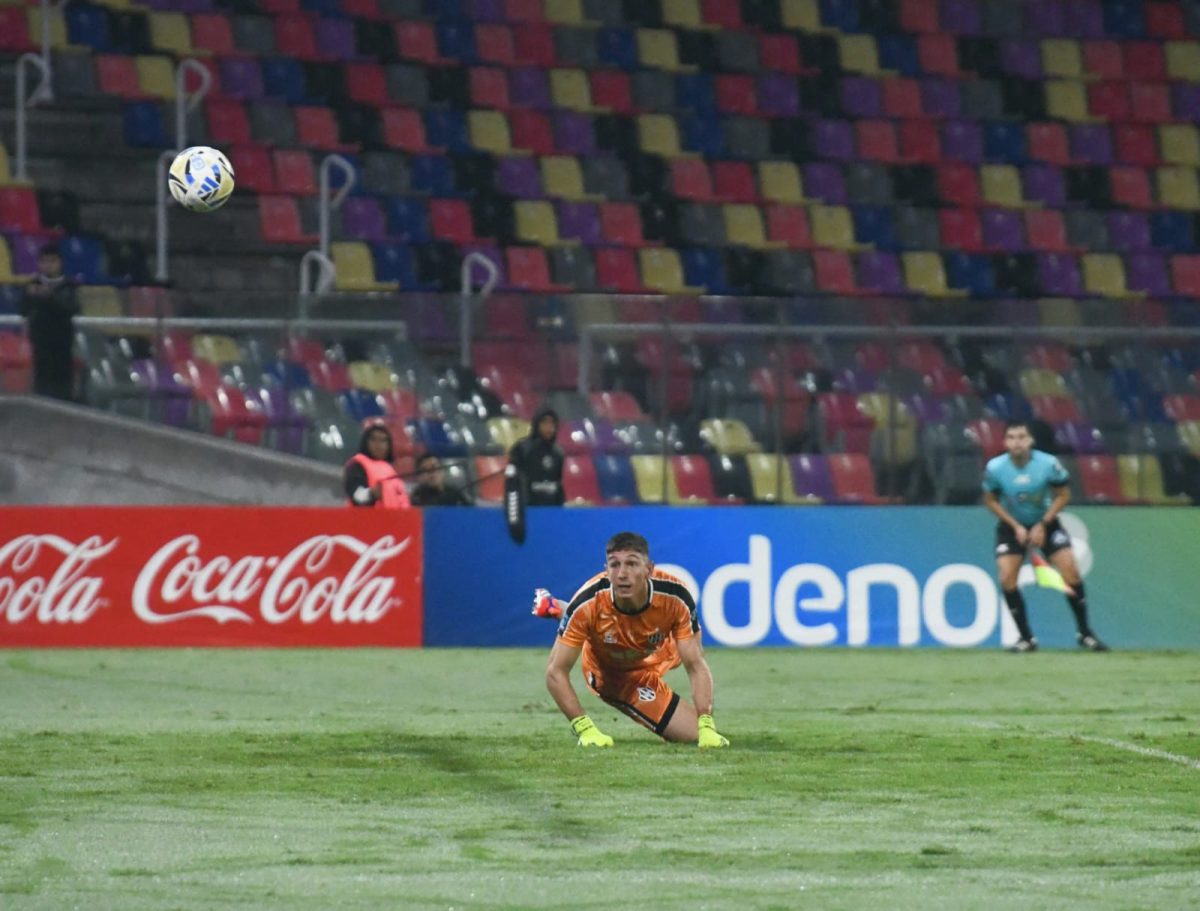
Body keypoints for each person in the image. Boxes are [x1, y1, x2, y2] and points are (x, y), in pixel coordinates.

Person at [541, 531, 730, 748]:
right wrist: (584, 728)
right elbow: (555, 672)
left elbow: (696, 665)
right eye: (615, 565)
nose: (622, 574)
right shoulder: (587, 602)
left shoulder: (675, 596)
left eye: (631, 564)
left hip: (662, 649)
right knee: (692, 735)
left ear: (649, 569)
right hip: (618, 673)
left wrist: (707, 724)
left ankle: (564, 613)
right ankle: (569, 617)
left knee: (702, 724)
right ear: (606, 571)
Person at [982, 420, 1109, 653]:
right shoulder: (996, 468)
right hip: (1012, 526)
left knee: (1070, 570)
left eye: (1022, 437)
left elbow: (1063, 495)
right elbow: (990, 500)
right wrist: (1016, 525)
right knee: (1007, 577)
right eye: (1011, 437)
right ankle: (1026, 638)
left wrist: (1042, 524)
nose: (1017, 442)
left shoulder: (1048, 464)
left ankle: (1085, 633)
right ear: (1005, 442)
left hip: (1046, 523)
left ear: (1030, 440)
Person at [18, 244, 78, 401]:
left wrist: (49, 296)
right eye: (44, 261)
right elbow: (22, 310)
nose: (48, 265)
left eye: (52, 261)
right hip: (41, 340)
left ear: (60, 262)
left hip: (62, 341)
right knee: (42, 380)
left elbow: (72, 308)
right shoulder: (33, 284)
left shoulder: (69, 285)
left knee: (62, 381)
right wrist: (30, 296)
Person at [343, 422, 411, 509]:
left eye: (383, 440)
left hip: (391, 516)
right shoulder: (357, 464)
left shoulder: (390, 468)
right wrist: (372, 494)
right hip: (365, 517)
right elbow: (356, 494)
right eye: (373, 439)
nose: (378, 445)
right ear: (365, 442)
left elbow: (401, 497)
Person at [507, 407, 565, 507]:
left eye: (552, 423)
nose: (549, 427)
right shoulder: (522, 449)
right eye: (545, 422)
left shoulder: (558, 453)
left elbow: (558, 484)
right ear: (536, 424)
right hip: (527, 507)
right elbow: (512, 483)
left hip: (552, 509)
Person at [408, 452, 473, 506]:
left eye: (434, 467)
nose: (431, 472)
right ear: (419, 477)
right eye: (425, 470)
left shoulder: (454, 493)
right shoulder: (417, 498)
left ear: (442, 471)